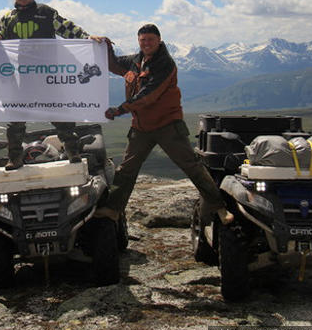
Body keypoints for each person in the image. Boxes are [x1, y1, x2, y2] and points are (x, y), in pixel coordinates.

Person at [96, 24, 234, 225]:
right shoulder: (135, 61)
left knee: (192, 166)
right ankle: (113, 209)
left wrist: (120, 110)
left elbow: (148, 95)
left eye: (150, 39)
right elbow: (114, 64)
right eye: (143, 40)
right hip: (141, 127)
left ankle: (220, 208)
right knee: (126, 169)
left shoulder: (165, 64)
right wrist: (105, 47)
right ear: (138, 41)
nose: (146, 43)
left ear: (159, 40)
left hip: (167, 125)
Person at [0, 0, 105, 171]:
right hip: (23, 78)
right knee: (16, 119)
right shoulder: (8, 18)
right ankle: (15, 158)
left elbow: (67, 28)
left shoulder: (46, 12)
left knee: (60, 112)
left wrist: (87, 38)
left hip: (48, 76)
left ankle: (73, 152)